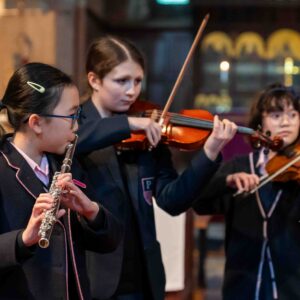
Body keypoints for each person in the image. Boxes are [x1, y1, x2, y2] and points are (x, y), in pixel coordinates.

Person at [76, 36, 237, 300]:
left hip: (143, 276)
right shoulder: (77, 122)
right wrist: (127, 124)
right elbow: (73, 140)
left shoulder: (149, 129)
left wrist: (210, 151)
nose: (132, 91)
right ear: (94, 80)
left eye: (137, 81)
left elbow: (172, 201)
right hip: (95, 276)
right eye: (121, 81)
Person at [0, 62, 121, 300]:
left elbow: (110, 241)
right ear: (36, 123)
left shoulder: (68, 163)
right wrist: (23, 239)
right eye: (71, 116)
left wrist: (92, 212)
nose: (76, 127)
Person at [193, 83, 300, 300]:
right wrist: (227, 181)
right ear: (260, 122)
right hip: (242, 285)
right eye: (276, 114)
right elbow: (200, 203)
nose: (286, 122)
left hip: (292, 286)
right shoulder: (238, 166)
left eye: (293, 114)